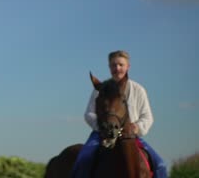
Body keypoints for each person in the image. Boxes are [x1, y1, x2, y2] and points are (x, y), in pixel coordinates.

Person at [72, 50, 167, 178]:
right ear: (109, 67)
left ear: (128, 66)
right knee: (83, 159)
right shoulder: (100, 88)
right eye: (113, 65)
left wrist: (137, 127)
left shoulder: (138, 90)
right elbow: (89, 113)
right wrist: (103, 127)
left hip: (129, 136)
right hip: (101, 135)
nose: (117, 68)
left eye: (121, 65)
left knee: (161, 165)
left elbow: (147, 116)